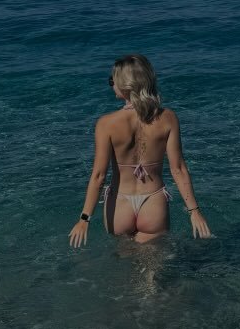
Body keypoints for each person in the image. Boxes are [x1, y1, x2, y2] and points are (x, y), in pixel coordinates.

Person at [69, 54, 212, 247]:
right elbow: (178, 169)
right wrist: (194, 212)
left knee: (123, 259)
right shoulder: (168, 118)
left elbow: (99, 176)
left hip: (119, 204)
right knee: (153, 262)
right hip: (153, 203)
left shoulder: (106, 124)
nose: (112, 84)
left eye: (113, 80)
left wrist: (84, 219)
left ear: (125, 85)